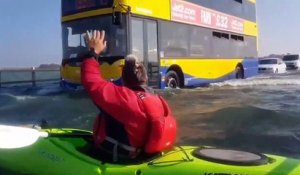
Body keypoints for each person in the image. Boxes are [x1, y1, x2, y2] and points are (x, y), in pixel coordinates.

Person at [81, 30, 177, 163]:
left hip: (116, 158)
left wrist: (92, 53)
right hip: (140, 155)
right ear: (145, 78)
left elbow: (90, 81)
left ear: (124, 78)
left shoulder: (125, 99)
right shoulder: (158, 100)